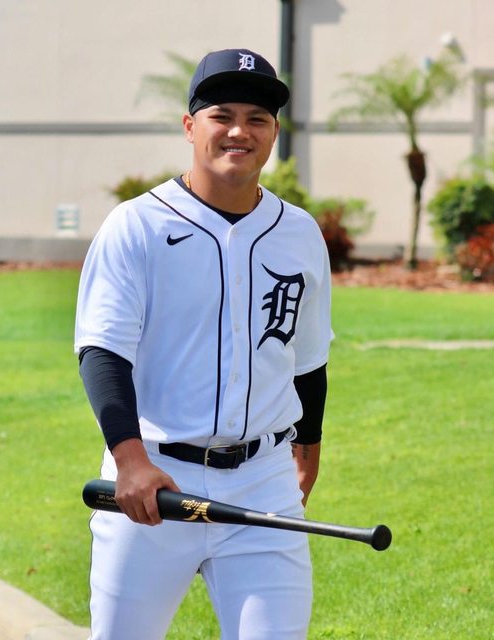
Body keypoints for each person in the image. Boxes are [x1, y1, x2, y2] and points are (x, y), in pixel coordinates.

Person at [75, 47, 332, 640]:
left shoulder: (298, 232)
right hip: (154, 480)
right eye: (223, 115)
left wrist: (307, 450)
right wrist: (130, 461)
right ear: (191, 126)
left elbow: (309, 357)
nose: (240, 131)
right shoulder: (137, 225)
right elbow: (102, 351)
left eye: (258, 119)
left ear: (274, 134)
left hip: (263, 485)